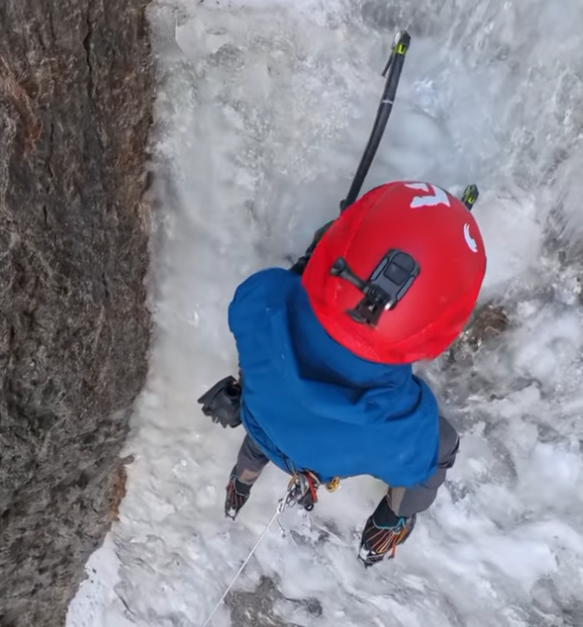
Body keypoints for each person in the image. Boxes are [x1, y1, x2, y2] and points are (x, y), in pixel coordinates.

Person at [198, 180, 486, 568]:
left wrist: (318, 260)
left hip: (268, 425)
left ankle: (241, 482)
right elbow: (418, 461)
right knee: (443, 446)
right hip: (326, 457)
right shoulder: (400, 422)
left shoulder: (259, 302)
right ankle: (390, 522)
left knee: (265, 426)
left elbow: (285, 281)